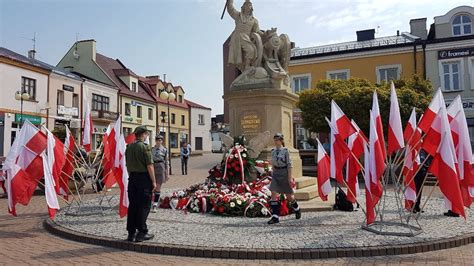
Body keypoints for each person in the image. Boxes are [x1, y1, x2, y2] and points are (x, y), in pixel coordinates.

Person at [125, 126, 156, 242]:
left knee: (133, 206)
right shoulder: (144, 147)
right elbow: (150, 166)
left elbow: (127, 165)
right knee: (144, 206)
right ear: (143, 134)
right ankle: (141, 232)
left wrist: (131, 176)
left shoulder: (129, 147)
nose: (147, 136)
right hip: (143, 179)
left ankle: (131, 232)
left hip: (132, 178)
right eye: (146, 134)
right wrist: (153, 181)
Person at [267, 133, 301, 224]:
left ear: (281, 140)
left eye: (277, 140)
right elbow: (273, 164)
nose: (276, 142)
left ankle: (296, 208)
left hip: (284, 173)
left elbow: (289, 165)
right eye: (275, 140)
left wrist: (289, 178)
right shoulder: (273, 151)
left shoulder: (286, 151)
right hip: (276, 174)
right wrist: (273, 173)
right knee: (273, 192)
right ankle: (275, 216)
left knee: (289, 196)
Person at [151, 135, 169, 213]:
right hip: (152, 167)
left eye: (160, 140)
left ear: (162, 141)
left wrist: (167, 173)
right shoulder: (152, 149)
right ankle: (151, 202)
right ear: (155, 140)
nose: (159, 141)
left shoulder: (164, 150)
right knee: (152, 186)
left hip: (161, 167)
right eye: (157, 140)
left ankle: (155, 205)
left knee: (158, 186)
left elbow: (167, 162)